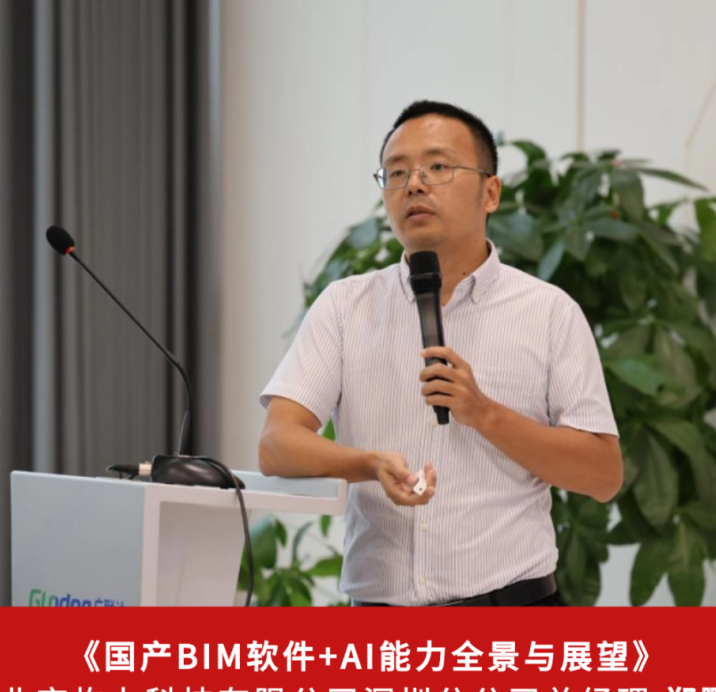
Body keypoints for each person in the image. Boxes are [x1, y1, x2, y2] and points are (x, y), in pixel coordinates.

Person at [258, 100, 622, 607]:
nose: (414, 184)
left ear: (490, 192)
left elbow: (603, 475)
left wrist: (484, 413)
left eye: (438, 167)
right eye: (397, 172)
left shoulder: (548, 312)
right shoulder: (345, 306)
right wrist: (369, 463)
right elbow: (276, 445)